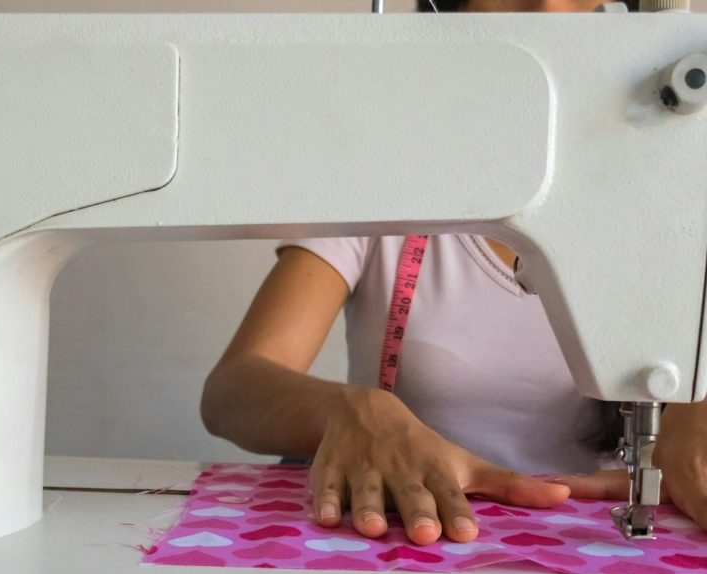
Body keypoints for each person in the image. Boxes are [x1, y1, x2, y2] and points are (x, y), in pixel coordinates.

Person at [201, 0, 707, 546]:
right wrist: (350, 410)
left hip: (596, 545)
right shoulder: (385, 179)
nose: (552, 15)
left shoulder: (673, 191)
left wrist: (698, 407)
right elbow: (233, 390)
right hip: (417, 537)